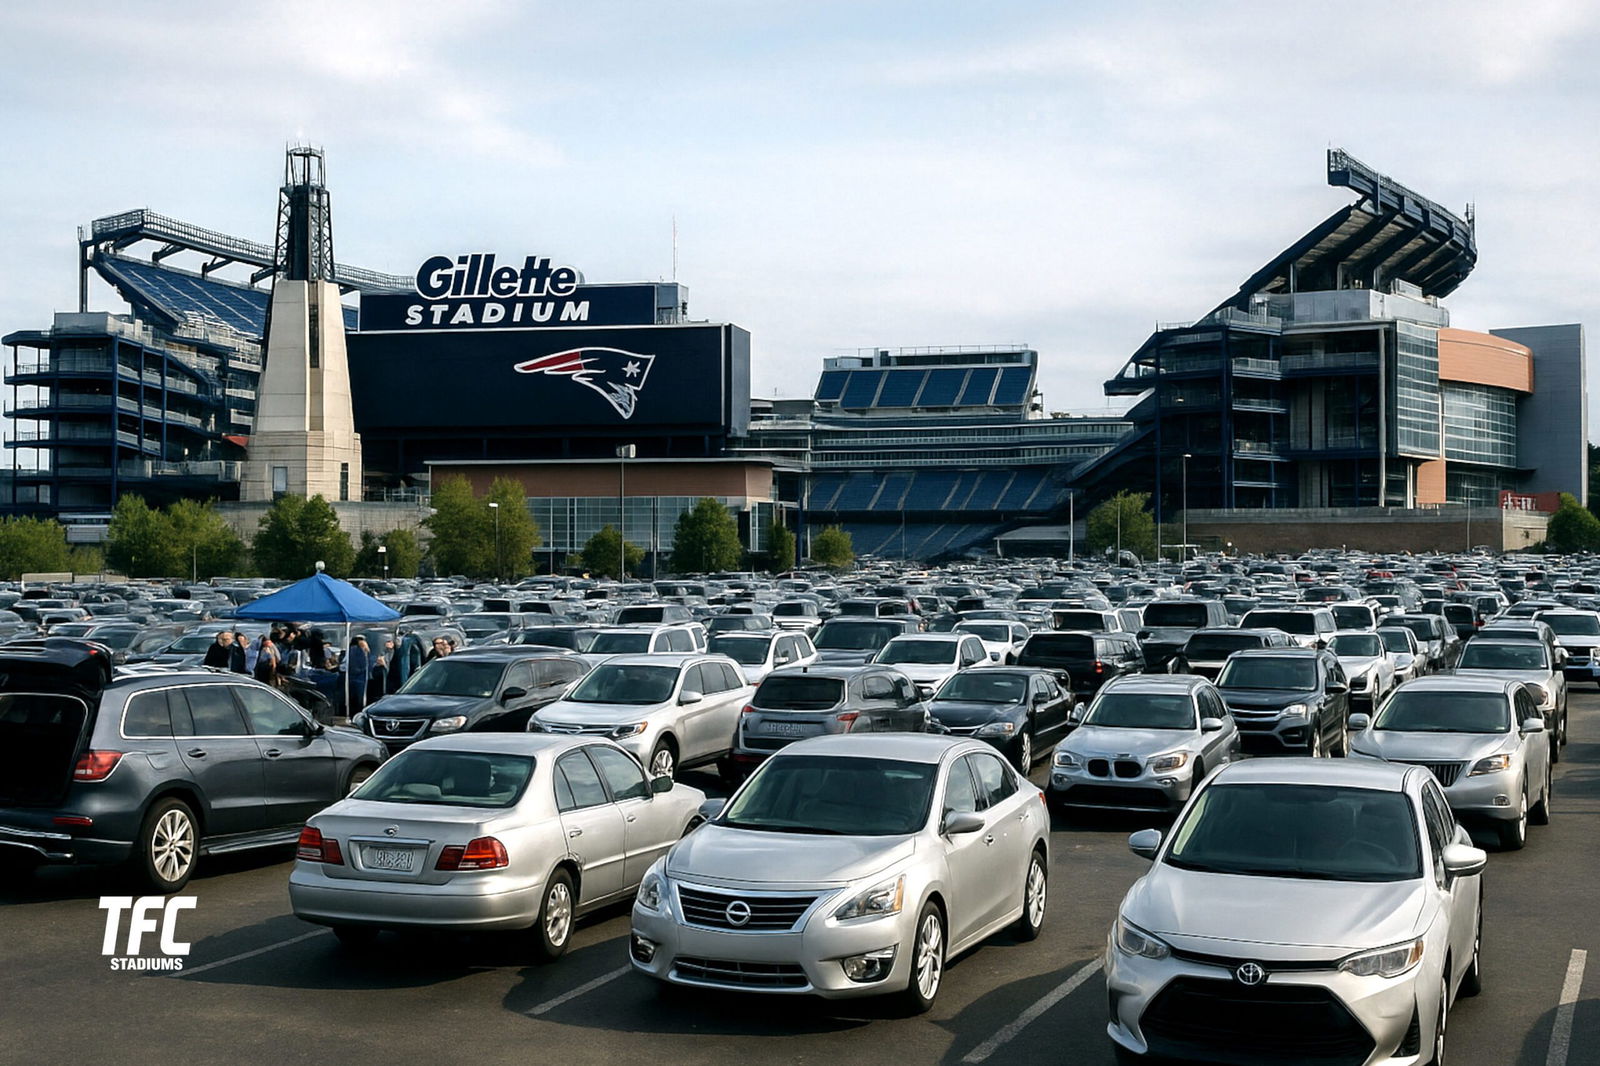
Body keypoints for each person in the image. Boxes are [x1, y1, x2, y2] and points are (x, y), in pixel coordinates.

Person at [344, 636, 371, 719]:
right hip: (358, 678)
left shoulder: (352, 650)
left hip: (355, 678)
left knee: (354, 699)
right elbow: (361, 664)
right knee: (358, 700)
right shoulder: (356, 650)